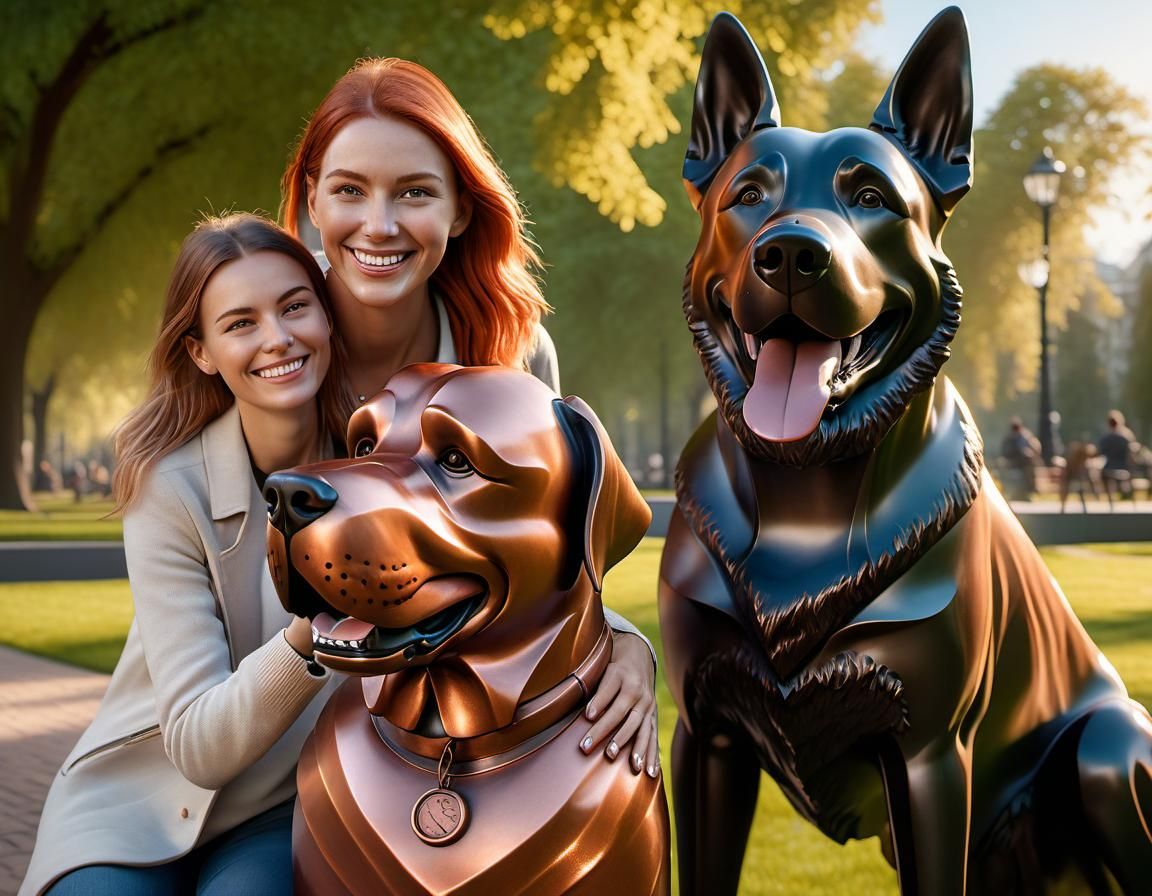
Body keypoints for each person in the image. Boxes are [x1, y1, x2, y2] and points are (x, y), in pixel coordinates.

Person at [279, 57, 661, 776]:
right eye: (350, 190)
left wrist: (627, 642)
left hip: (430, 751)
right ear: (311, 203)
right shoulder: (270, 351)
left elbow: (548, 547)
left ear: (459, 208)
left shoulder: (515, 355)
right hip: (276, 747)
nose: (379, 224)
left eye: (414, 192)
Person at [21, 213, 356, 896]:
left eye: (296, 307)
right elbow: (199, 747)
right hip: (134, 801)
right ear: (201, 350)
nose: (278, 338)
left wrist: (623, 639)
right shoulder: (167, 488)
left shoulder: (380, 466)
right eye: (240, 323)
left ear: (327, 316)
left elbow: (514, 565)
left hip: (281, 807)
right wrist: (311, 632)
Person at [1098, 409, 1136, 504]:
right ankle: (1125, 491)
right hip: (1124, 468)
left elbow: (1101, 453)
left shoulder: (1105, 438)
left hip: (1109, 468)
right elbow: (1132, 454)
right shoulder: (1127, 437)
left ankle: (1110, 497)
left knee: (1103, 474)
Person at [999, 417, 1039, 501]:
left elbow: (1036, 447)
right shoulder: (1009, 438)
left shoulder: (1026, 436)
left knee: (1029, 470)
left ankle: (1029, 491)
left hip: (1025, 462)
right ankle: (1006, 492)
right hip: (1012, 461)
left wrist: (1029, 452)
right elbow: (1004, 451)